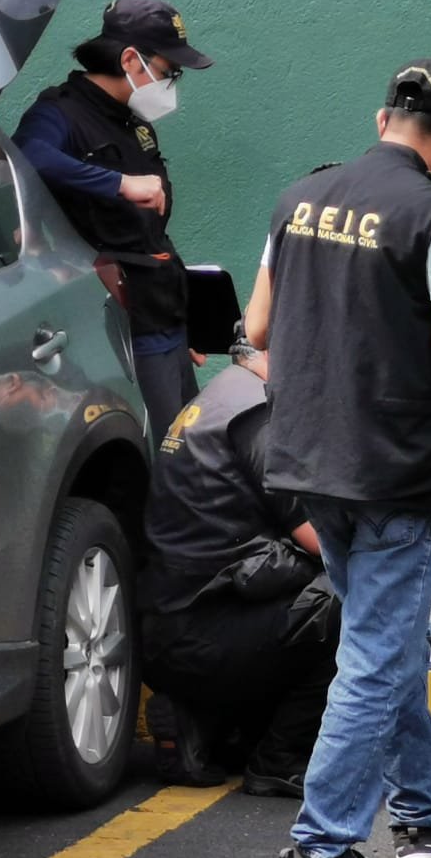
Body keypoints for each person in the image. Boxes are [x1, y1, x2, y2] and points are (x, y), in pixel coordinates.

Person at [244, 57, 431, 858]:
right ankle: (322, 852)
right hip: (398, 467)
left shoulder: (300, 196)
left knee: (384, 645)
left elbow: (257, 325)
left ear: (381, 119)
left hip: (310, 459)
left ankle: (424, 821)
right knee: (376, 656)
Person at [137, 328, 339, 798]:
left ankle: (203, 724)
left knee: (300, 593)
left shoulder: (221, 395)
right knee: (349, 599)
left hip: (172, 631)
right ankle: (279, 759)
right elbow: (320, 539)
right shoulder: (259, 415)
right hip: (207, 634)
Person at [13, 0, 213, 447]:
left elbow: (149, 232)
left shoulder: (134, 124)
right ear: (130, 60)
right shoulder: (59, 112)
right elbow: (27, 154)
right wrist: (120, 183)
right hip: (120, 322)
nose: (171, 83)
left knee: (190, 449)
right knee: (162, 452)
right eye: (169, 71)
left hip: (165, 314)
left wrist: (185, 322)